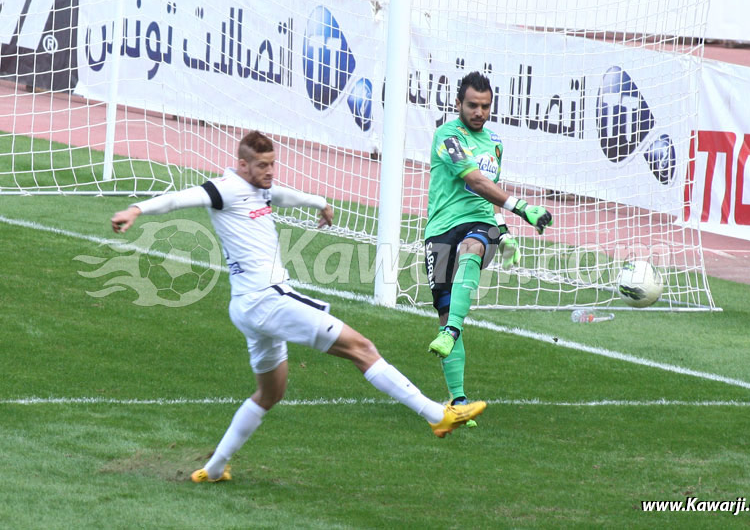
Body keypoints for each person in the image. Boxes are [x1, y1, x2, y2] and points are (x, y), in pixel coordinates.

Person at [111, 130, 486, 483]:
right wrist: (136, 211)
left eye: (273, 164)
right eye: (262, 166)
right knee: (362, 348)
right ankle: (438, 415)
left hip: (248, 307)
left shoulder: (262, 189)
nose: (269, 172)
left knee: (270, 393)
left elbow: (283, 196)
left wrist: (319, 202)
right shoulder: (224, 189)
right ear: (242, 164)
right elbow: (179, 198)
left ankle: (214, 467)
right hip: (267, 299)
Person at [424, 71, 552, 420]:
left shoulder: (494, 140)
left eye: (485, 106)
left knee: (473, 248)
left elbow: (488, 192)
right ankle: (460, 401)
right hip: (440, 229)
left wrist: (503, 228)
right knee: (446, 308)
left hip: (478, 226)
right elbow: (476, 181)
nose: (479, 112)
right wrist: (521, 208)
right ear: (458, 104)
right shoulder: (447, 136)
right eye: (472, 105)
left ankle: (451, 332)